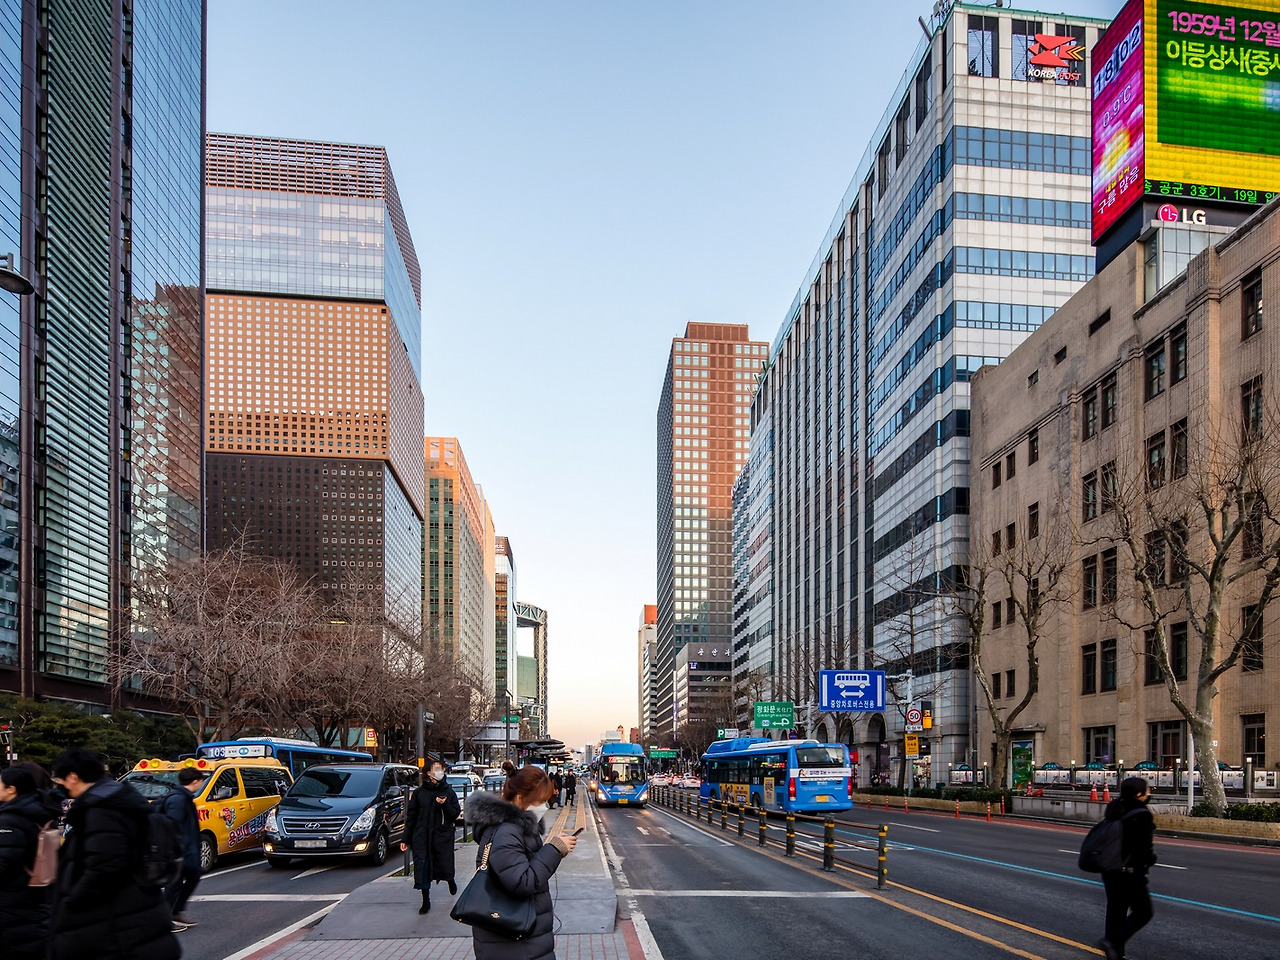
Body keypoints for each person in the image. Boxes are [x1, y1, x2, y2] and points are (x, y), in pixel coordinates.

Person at [49, 747, 180, 960]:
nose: (60, 785)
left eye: (60, 779)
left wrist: (70, 903)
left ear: (73, 777)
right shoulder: (120, 799)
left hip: (116, 926)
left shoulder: (101, 809)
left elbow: (104, 867)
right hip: (135, 917)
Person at [465, 760, 578, 960]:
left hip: (518, 937)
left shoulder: (515, 828)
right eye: (539, 801)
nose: (543, 806)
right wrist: (554, 850)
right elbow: (521, 881)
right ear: (519, 798)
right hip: (513, 940)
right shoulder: (507, 831)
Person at [0, 765, 60, 960]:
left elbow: (4, 863)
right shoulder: (40, 812)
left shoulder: (10, 820)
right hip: (38, 894)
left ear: (11, 789)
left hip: (11, 903)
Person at [1097, 776, 1156, 960]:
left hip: (1110, 869)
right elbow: (1143, 848)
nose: (1149, 793)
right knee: (1144, 911)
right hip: (1130, 871)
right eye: (1147, 790)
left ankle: (1115, 953)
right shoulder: (1141, 814)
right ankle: (1112, 941)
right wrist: (1150, 860)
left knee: (1116, 910)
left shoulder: (1115, 808)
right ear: (1139, 794)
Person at [401, 759, 461, 914]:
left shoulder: (448, 791)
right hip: (422, 836)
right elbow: (411, 816)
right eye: (436, 769)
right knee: (423, 867)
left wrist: (444, 804)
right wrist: (405, 838)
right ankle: (425, 900)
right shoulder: (420, 793)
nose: (440, 771)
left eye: (441, 769)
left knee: (444, 863)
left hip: (441, 836)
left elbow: (454, 814)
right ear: (428, 773)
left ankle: (450, 880)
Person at [161, 766, 205, 929]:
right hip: (178, 850)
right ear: (195, 782)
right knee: (174, 884)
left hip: (187, 849)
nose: (201, 784)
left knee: (193, 876)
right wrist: (177, 848)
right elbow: (172, 825)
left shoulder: (184, 797)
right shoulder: (178, 799)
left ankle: (176, 911)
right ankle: (165, 919)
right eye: (201, 781)